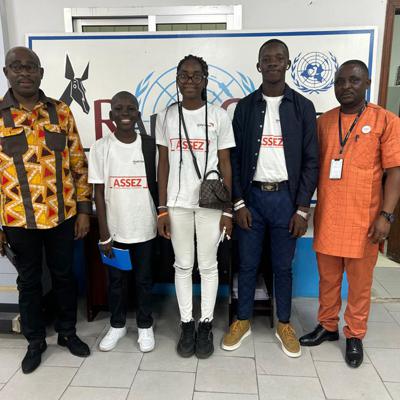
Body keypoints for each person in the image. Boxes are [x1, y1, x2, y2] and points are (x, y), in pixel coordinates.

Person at [299, 60, 400, 368]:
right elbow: (312, 166)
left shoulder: (386, 120)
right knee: (328, 279)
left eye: (354, 80)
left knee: (359, 284)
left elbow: (395, 173)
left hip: (365, 220)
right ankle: (327, 325)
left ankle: (354, 334)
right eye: (340, 81)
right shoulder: (325, 122)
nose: (346, 86)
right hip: (329, 216)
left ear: (367, 83)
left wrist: (386, 215)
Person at [222, 39, 319, 358]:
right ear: (259, 65)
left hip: (287, 201)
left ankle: (284, 324)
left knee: (282, 267)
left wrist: (302, 208)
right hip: (252, 199)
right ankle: (243, 320)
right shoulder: (245, 108)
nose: (273, 62)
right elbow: (234, 159)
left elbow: (311, 160)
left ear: (288, 63)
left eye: (279, 58)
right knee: (247, 264)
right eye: (267, 58)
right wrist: (238, 202)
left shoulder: (303, 107)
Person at [0, 46, 92, 374]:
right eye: (17, 67)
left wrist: (84, 210)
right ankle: (35, 342)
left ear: (41, 73)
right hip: (17, 218)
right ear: (6, 73)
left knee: (64, 276)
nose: (24, 72)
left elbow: (78, 164)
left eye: (31, 67)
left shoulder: (60, 112)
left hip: (62, 215)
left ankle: (67, 333)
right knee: (28, 282)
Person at [156, 54, 235, 359]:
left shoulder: (218, 116)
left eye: (196, 75)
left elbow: (226, 163)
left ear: (205, 80)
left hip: (210, 202)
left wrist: (228, 210)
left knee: (209, 265)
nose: (189, 80)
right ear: (177, 80)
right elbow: (163, 163)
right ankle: (187, 323)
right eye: (184, 75)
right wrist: (162, 208)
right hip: (177, 204)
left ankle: (206, 324)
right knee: (183, 265)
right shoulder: (166, 117)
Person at [89, 91, 157, 353]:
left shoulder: (149, 146)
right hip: (115, 231)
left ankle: (145, 325)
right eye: (119, 109)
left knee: (144, 280)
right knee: (116, 281)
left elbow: (160, 183)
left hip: (145, 227)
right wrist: (104, 233)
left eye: (130, 109)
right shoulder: (101, 147)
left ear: (138, 114)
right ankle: (117, 325)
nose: (125, 113)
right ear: (111, 115)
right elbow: (98, 191)